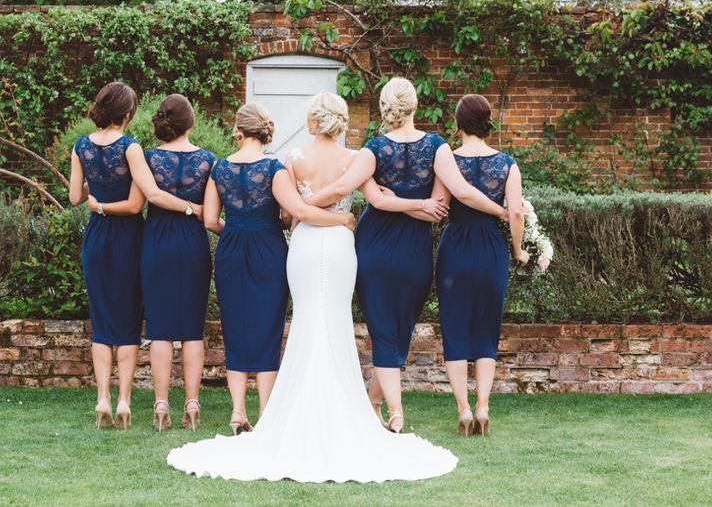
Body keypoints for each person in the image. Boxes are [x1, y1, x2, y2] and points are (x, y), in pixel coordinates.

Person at [167, 93, 457, 482]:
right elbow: (370, 199)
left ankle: (288, 411)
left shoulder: (292, 161)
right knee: (334, 319)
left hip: (304, 246)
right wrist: (350, 216)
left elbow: (288, 213)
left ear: (314, 122)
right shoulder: (356, 159)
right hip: (339, 246)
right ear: (339, 122)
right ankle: (345, 410)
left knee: (307, 318)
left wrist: (303, 212)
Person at [304, 77, 508, 433]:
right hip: (414, 250)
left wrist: (300, 204)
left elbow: (344, 189)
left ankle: (383, 407)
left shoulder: (373, 149)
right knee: (398, 330)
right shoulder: (437, 147)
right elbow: (445, 203)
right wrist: (502, 211)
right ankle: (388, 409)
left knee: (384, 330)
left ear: (386, 108)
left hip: (375, 245)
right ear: (415, 106)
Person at [199, 102, 354, 434]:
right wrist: (342, 218)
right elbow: (296, 211)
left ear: (238, 131)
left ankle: (238, 411)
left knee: (235, 327)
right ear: (265, 131)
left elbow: (210, 220)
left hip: (231, 250)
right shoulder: (274, 170)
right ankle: (266, 411)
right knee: (267, 328)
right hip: (269, 250)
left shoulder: (219, 168)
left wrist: (236, 232)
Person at [71, 82, 199, 429]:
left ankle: (103, 398)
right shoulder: (131, 148)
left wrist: (95, 192)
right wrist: (193, 209)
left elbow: (74, 196)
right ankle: (125, 401)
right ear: (128, 114)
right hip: (128, 239)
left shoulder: (80, 145)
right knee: (127, 322)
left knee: (101, 323)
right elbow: (136, 203)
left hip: (96, 238)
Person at [434, 94, 527, 436]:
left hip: (455, 246)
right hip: (491, 249)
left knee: (454, 328)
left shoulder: (446, 162)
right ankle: (483, 406)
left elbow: (440, 207)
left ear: (458, 124)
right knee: (487, 329)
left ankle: (462, 409)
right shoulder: (507, 164)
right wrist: (518, 250)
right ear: (488, 123)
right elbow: (516, 212)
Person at [140, 95, 215, 432]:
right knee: (191, 329)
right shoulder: (209, 160)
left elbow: (143, 199)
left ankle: (160, 404)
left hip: (156, 241)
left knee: (159, 328)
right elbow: (213, 212)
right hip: (192, 243)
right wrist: (194, 208)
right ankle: (192, 402)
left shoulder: (147, 158)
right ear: (191, 122)